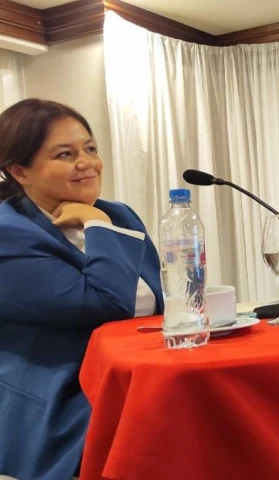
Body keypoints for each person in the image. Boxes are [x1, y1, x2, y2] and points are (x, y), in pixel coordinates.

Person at [0, 99, 163, 480]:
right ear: (20, 171)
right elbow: (106, 306)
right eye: (65, 154)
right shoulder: (7, 235)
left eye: (90, 148)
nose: (87, 162)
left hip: (138, 377)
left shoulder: (118, 213)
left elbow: (161, 301)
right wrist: (97, 224)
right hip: (65, 397)